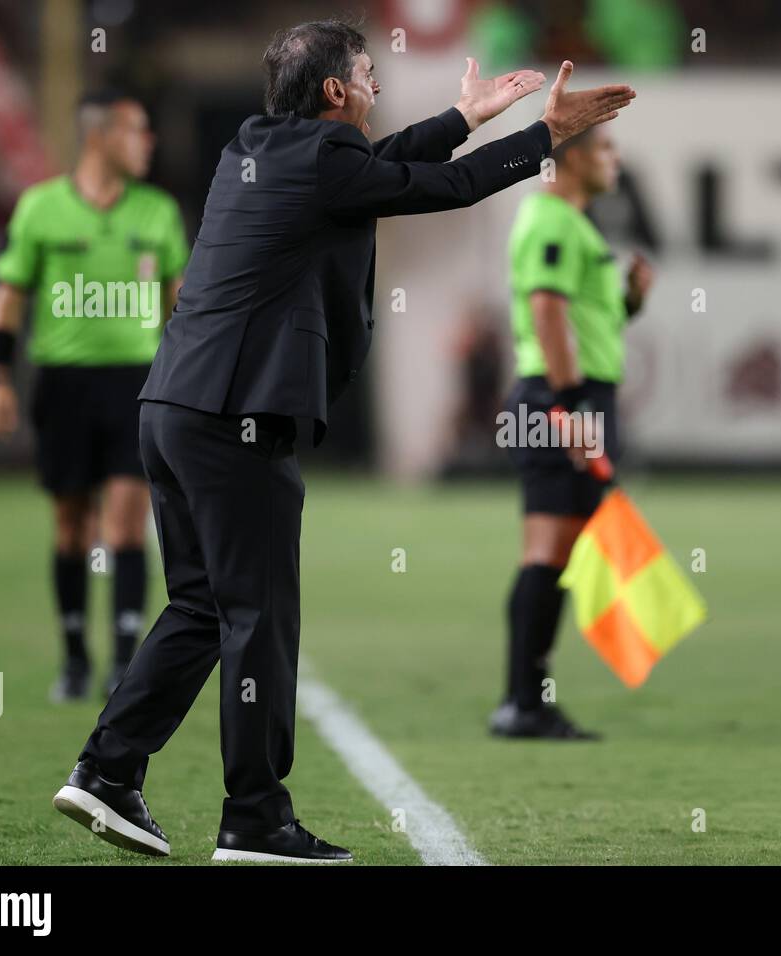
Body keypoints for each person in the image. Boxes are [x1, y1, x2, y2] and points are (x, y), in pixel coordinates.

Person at [50, 17, 635, 863]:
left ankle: (107, 771)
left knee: (202, 606)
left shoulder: (251, 146)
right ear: (335, 91)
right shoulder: (329, 166)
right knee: (259, 618)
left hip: (172, 407)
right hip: (236, 417)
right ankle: (254, 817)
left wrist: (465, 117)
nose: (375, 86)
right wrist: (546, 135)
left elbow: (383, 162)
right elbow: (446, 187)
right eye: (366, 74)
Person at [0, 90, 188, 701]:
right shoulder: (41, 209)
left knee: (125, 523)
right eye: (138, 130)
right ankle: (74, 656)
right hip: (64, 385)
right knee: (71, 527)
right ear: (101, 137)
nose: (148, 142)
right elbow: (9, 296)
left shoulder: (158, 213)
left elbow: (182, 306)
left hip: (138, 384)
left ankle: (123, 665)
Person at [490, 124, 653, 740]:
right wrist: (572, 405)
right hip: (559, 401)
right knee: (549, 552)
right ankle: (524, 702)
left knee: (554, 552)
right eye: (607, 148)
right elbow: (547, 310)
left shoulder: (573, 223)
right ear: (573, 157)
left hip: (561, 400)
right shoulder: (553, 218)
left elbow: (579, 317)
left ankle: (524, 699)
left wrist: (631, 302)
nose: (616, 158)